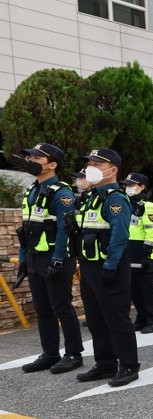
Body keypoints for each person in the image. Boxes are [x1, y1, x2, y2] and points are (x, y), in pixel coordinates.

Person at [15, 143, 85, 375]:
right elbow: (25, 230)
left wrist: (58, 259)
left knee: (61, 307)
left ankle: (73, 354)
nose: (31, 160)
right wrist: (24, 260)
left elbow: (66, 230)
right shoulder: (32, 191)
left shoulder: (61, 192)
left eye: (37, 157)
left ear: (52, 164)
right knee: (42, 309)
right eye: (30, 156)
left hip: (56, 258)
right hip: (35, 258)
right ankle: (50, 353)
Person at [74, 147, 140, 387]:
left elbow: (120, 236)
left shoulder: (116, 199)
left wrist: (110, 265)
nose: (90, 168)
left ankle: (129, 365)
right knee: (95, 318)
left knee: (116, 318)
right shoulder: (91, 197)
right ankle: (105, 363)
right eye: (89, 163)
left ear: (113, 170)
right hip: (89, 266)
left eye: (97, 164)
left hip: (110, 265)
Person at [123, 173, 153, 333]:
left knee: (147, 289)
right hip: (131, 252)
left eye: (132, 185)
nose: (128, 188)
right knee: (134, 289)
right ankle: (141, 318)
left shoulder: (149, 206)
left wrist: (147, 253)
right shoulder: (127, 205)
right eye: (126, 185)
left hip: (146, 253)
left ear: (142, 187)